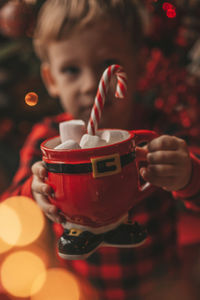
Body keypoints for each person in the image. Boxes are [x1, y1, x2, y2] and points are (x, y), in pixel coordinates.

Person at [1, 0, 200, 299]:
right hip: (79, 290)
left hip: (161, 287)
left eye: (108, 64)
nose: (91, 85)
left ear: (140, 65)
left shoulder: (160, 131)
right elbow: (10, 212)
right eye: (70, 70)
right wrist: (35, 191)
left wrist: (187, 175)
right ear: (51, 80)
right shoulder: (46, 139)